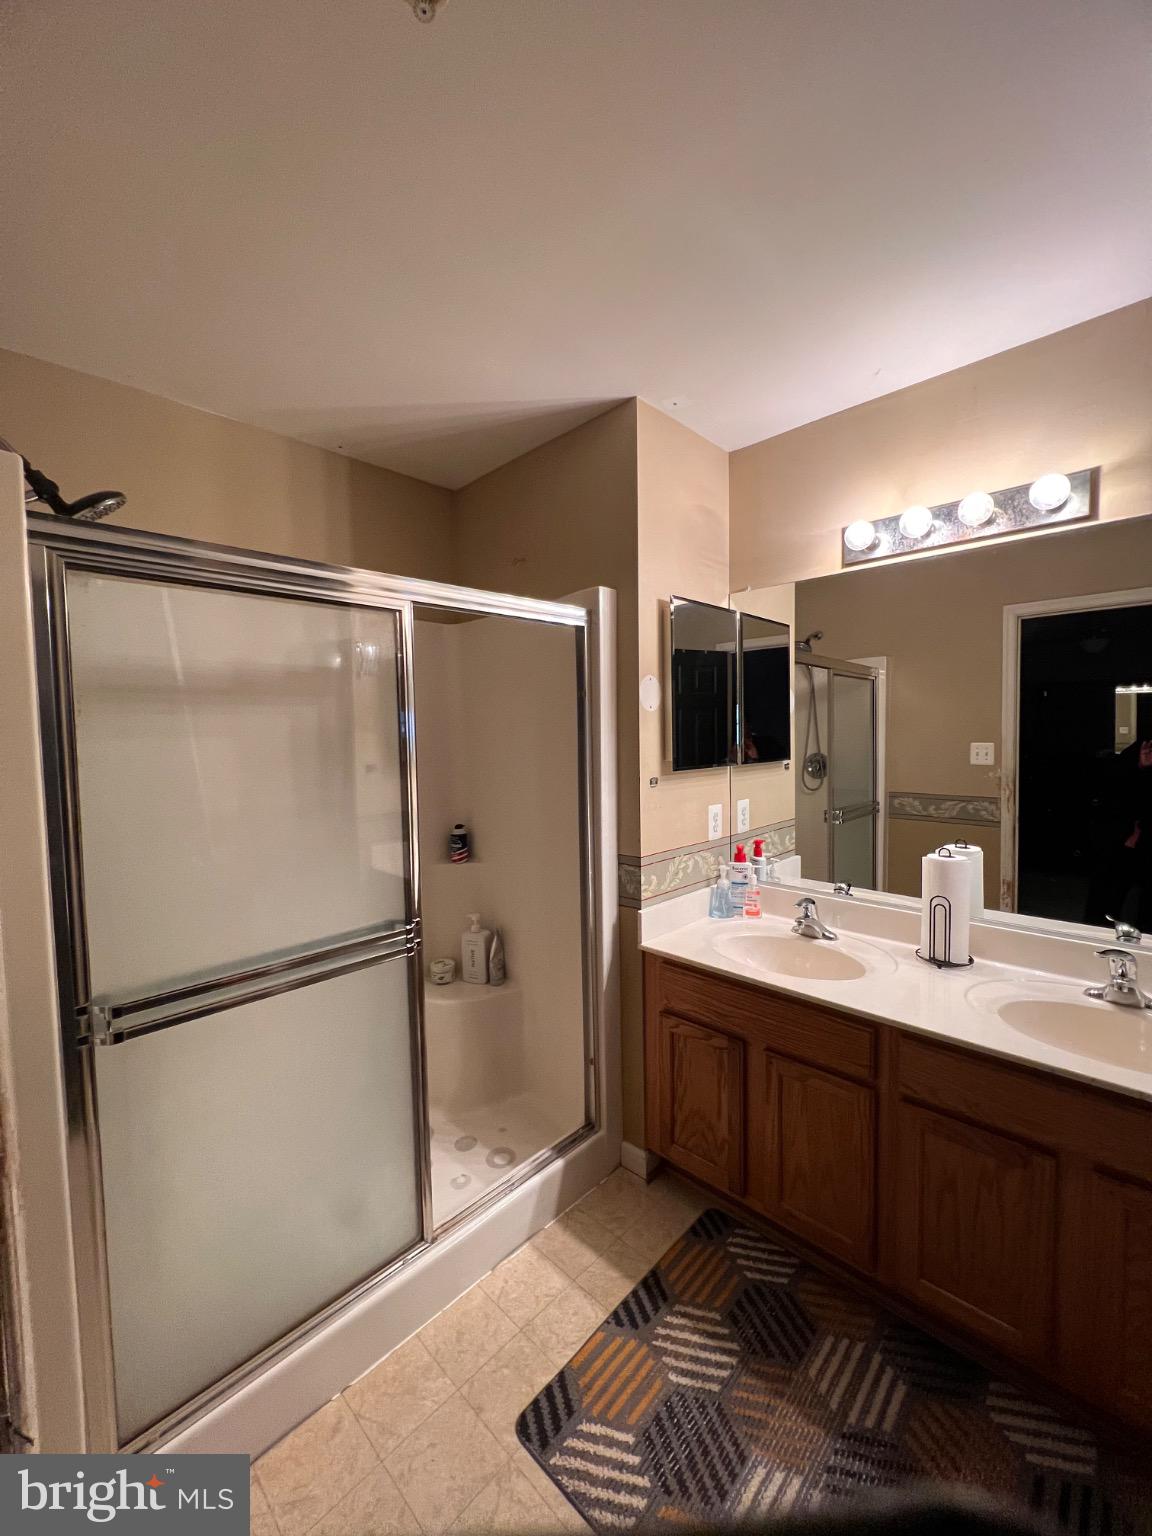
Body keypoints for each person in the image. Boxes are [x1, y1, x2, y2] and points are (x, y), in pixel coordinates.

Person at [1084, 736, 1152, 930]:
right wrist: (1140, 765)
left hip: (1139, 845)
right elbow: (1118, 797)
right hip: (1120, 844)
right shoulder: (1124, 766)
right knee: (1110, 897)